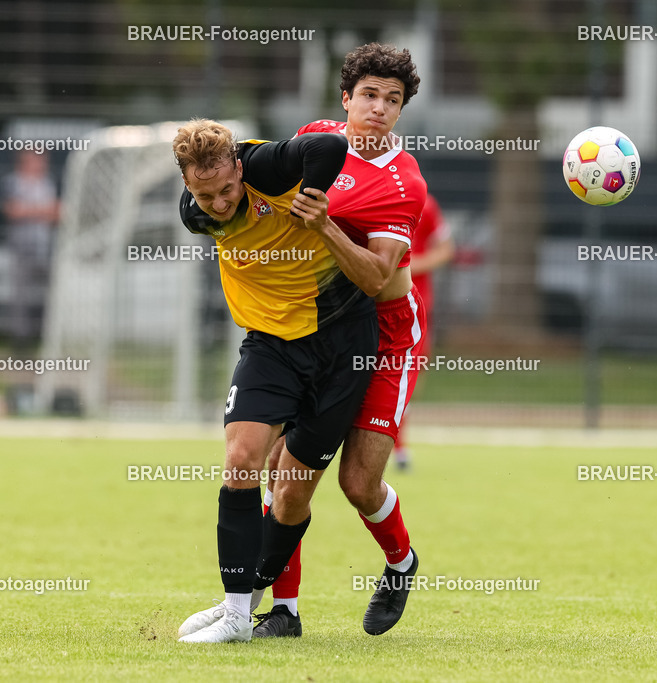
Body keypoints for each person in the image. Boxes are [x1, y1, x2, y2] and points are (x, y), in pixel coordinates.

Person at [172, 119, 379, 644]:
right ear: (188, 187)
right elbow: (217, 217)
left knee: (290, 493)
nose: (219, 203)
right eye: (205, 194)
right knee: (241, 461)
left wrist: (311, 201)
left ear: (239, 167)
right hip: (270, 344)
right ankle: (238, 614)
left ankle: (260, 602)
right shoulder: (196, 216)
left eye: (226, 189)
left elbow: (329, 145)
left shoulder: (263, 166)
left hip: (341, 339)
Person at [254, 43, 428, 638]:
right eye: (371, 95)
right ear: (346, 98)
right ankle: (284, 612)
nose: (380, 108)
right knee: (282, 471)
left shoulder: (402, 183)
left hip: (383, 341)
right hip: (316, 329)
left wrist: (324, 223)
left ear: (402, 110)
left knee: (357, 483)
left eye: (393, 100)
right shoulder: (316, 138)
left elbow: (379, 279)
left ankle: (401, 564)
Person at [392, 193, 454, 469]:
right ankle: (398, 447)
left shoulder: (426, 204)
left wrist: (409, 265)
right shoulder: (369, 196)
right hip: (376, 304)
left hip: (417, 308)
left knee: (409, 379)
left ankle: (396, 442)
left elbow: (446, 249)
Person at [1, 150, 60, 349]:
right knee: (21, 298)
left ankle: (49, 338)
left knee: (52, 295)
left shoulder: (47, 184)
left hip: (44, 247)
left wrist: (32, 210)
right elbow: (14, 211)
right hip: (22, 247)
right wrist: (42, 210)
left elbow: (57, 213)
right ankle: (21, 341)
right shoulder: (13, 182)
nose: (41, 165)